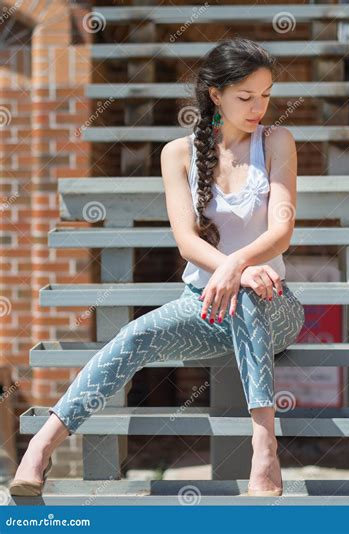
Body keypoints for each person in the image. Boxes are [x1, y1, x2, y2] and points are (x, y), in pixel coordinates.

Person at [10, 37, 304, 498]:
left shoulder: (278, 141)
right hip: (204, 308)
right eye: (246, 97)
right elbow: (187, 241)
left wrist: (238, 270)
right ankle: (40, 448)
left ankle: (263, 445)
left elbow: (281, 231)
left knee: (248, 292)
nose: (258, 108)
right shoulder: (177, 154)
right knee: (133, 336)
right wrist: (234, 270)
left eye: (265, 95)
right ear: (215, 94)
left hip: (274, 306)